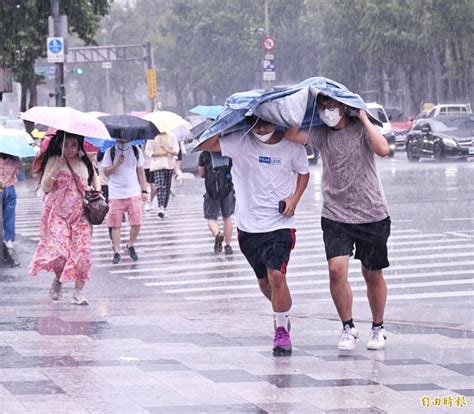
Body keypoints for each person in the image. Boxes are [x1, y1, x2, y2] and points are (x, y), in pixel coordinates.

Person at [286, 94, 391, 351]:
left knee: (371, 272)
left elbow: (383, 150)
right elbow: (290, 134)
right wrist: (301, 103)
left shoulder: (361, 130)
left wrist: (364, 117)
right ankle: (348, 326)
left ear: (343, 107)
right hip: (335, 214)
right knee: (336, 270)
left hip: (371, 213)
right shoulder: (322, 134)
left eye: (331, 106)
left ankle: (378, 327)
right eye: (322, 107)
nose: (327, 112)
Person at [199, 116, 309, 356]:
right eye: (256, 123)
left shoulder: (292, 145)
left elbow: (303, 172)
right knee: (265, 282)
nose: (262, 128)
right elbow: (205, 145)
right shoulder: (240, 141)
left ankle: (281, 329)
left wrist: (294, 199)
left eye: (267, 123)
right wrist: (226, 121)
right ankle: (283, 314)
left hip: (280, 223)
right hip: (248, 227)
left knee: (277, 276)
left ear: (276, 122)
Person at [29, 132, 101, 305]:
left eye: (74, 145)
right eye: (66, 145)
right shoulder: (54, 160)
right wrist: (56, 168)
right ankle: (59, 280)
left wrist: (98, 192)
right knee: (60, 252)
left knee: (83, 253)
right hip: (58, 215)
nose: (70, 149)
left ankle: (78, 292)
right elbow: (46, 186)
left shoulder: (86, 163)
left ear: (79, 146)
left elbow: (96, 179)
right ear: (61, 145)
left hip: (81, 216)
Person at [101, 139, 148, 264]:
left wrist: (144, 190)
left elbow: (141, 171)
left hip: (133, 192)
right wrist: (117, 164)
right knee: (115, 224)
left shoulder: (135, 150)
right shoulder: (110, 151)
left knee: (137, 222)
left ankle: (130, 245)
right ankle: (116, 252)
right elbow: (106, 172)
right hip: (116, 193)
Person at [198, 151, 235, 254]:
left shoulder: (204, 153)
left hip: (212, 190)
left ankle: (217, 233)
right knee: (227, 218)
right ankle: (228, 246)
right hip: (227, 189)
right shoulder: (228, 150)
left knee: (211, 218)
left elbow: (201, 174)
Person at [145, 132, 179, 219]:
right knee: (159, 186)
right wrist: (161, 153)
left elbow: (176, 151)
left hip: (169, 164)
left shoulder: (172, 136)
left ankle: (164, 208)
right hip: (157, 165)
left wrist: (167, 150)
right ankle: (161, 207)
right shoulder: (152, 137)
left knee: (167, 188)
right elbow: (148, 152)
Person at [0, 152, 21, 265]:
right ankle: (8, 239)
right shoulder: (15, 159)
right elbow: (17, 173)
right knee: (10, 216)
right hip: (11, 190)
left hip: (0, 189)